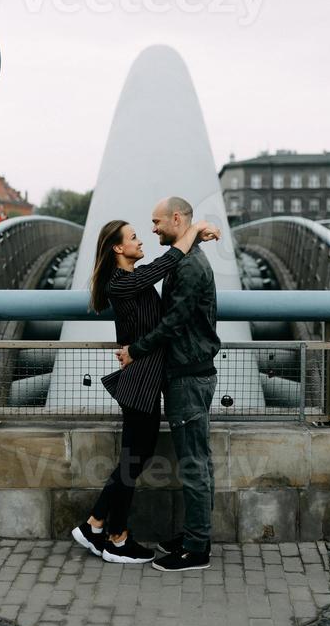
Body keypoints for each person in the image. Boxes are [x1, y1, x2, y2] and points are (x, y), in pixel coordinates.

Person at [71, 215, 220, 565]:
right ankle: (116, 538)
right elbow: (167, 262)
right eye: (134, 237)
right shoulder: (122, 282)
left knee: (133, 458)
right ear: (118, 248)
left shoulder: (127, 280)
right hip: (140, 381)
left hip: (144, 380)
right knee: (132, 461)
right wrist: (196, 230)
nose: (142, 240)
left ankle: (95, 525)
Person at [117, 197, 221, 572]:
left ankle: (197, 550)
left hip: (188, 376)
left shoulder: (190, 267)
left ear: (177, 219)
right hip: (192, 371)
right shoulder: (187, 257)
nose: (154, 229)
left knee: (193, 463)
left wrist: (136, 350)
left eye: (157, 221)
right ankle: (196, 533)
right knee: (198, 460)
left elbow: (173, 323)